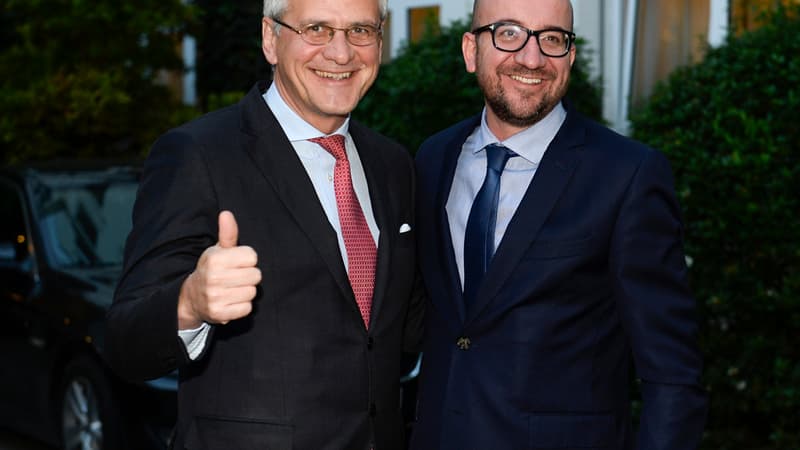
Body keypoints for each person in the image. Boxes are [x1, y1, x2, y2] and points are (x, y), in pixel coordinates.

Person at [104, 0, 425, 448]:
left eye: (360, 30)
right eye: (316, 28)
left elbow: (404, 326)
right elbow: (123, 343)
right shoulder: (197, 154)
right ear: (271, 39)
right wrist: (189, 304)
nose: (341, 52)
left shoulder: (394, 165)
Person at [410, 0, 707, 449]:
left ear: (569, 56)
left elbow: (672, 371)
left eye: (552, 38)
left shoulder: (626, 175)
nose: (532, 58)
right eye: (508, 33)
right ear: (471, 51)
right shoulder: (432, 158)